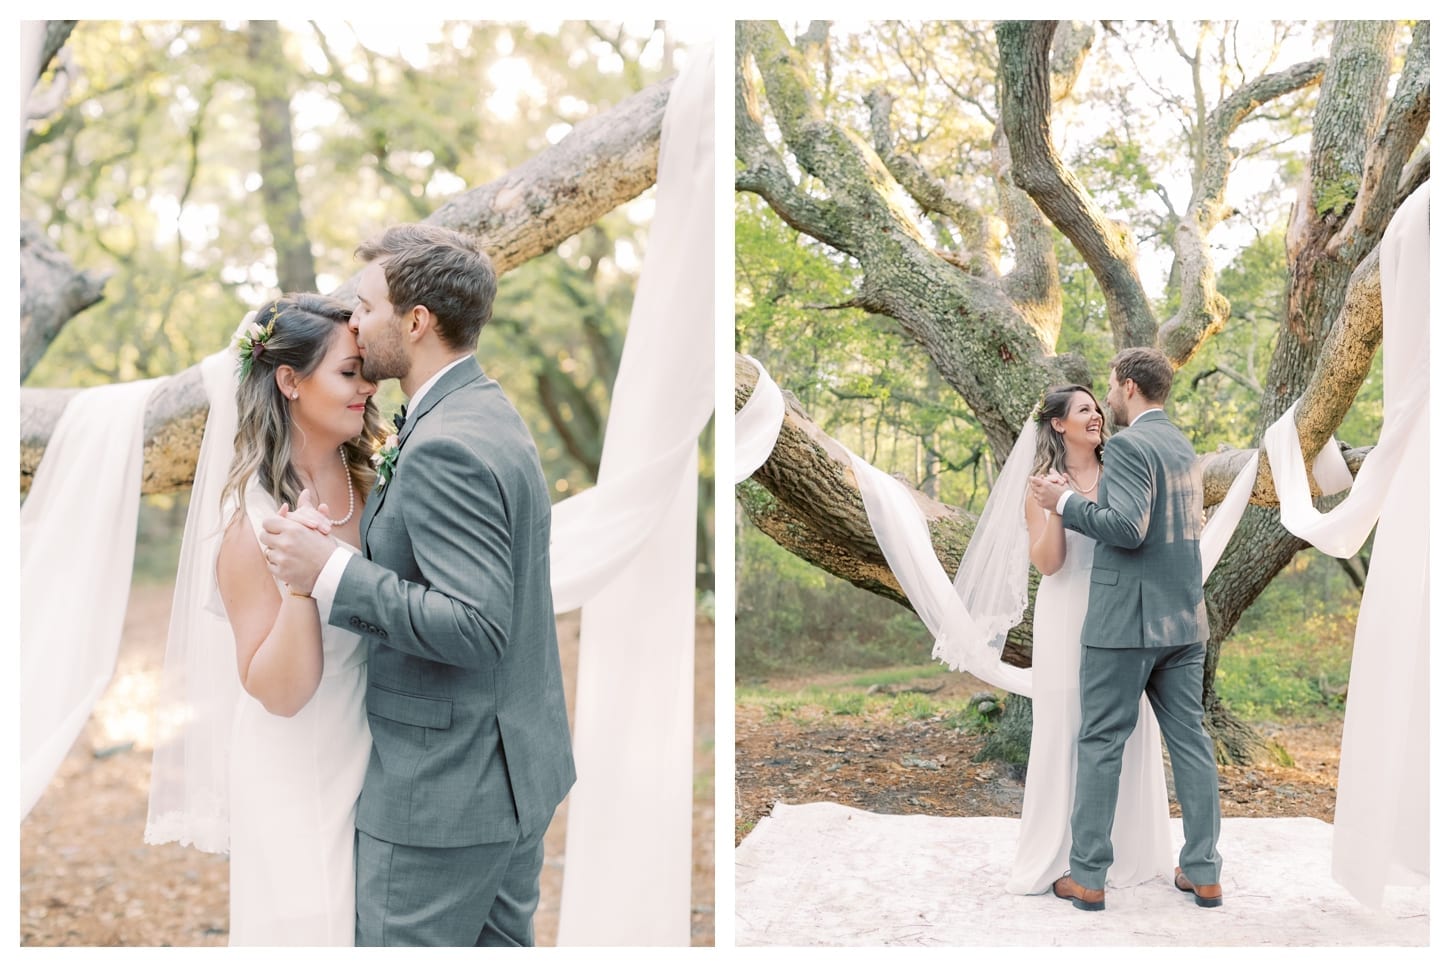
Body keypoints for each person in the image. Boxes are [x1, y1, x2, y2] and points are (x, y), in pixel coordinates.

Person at [259, 224, 576, 946]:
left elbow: (478, 624)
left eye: (366, 305)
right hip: (514, 773)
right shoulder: (485, 411)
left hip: (443, 797)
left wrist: (328, 570)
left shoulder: (445, 445)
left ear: (417, 321)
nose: (355, 322)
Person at [150, 293, 383, 944]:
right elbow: (280, 691)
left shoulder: (376, 485)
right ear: (289, 380)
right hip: (296, 771)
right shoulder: (250, 529)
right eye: (348, 371)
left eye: (366, 371)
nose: (367, 386)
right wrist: (301, 588)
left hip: (378, 761)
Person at [1028, 347, 1223, 912]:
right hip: (1185, 622)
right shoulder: (1181, 446)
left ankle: (1087, 876)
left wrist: (1063, 501)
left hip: (1124, 626)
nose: (1108, 398)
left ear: (1130, 387)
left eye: (1111, 387)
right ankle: (1204, 871)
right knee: (1190, 742)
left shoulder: (1132, 446)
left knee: (1100, 743)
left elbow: (1128, 529)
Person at [1003, 385, 1173, 895]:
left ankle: (1125, 851)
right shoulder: (1040, 486)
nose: (1096, 414)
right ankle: (1063, 852)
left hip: (1124, 611)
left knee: (1127, 726)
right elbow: (1050, 563)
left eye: (1098, 407)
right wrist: (1057, 506)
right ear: (1058, 424)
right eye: (1083, 409)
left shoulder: (1122, 469)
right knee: (1067, 726)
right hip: (1067, 613)